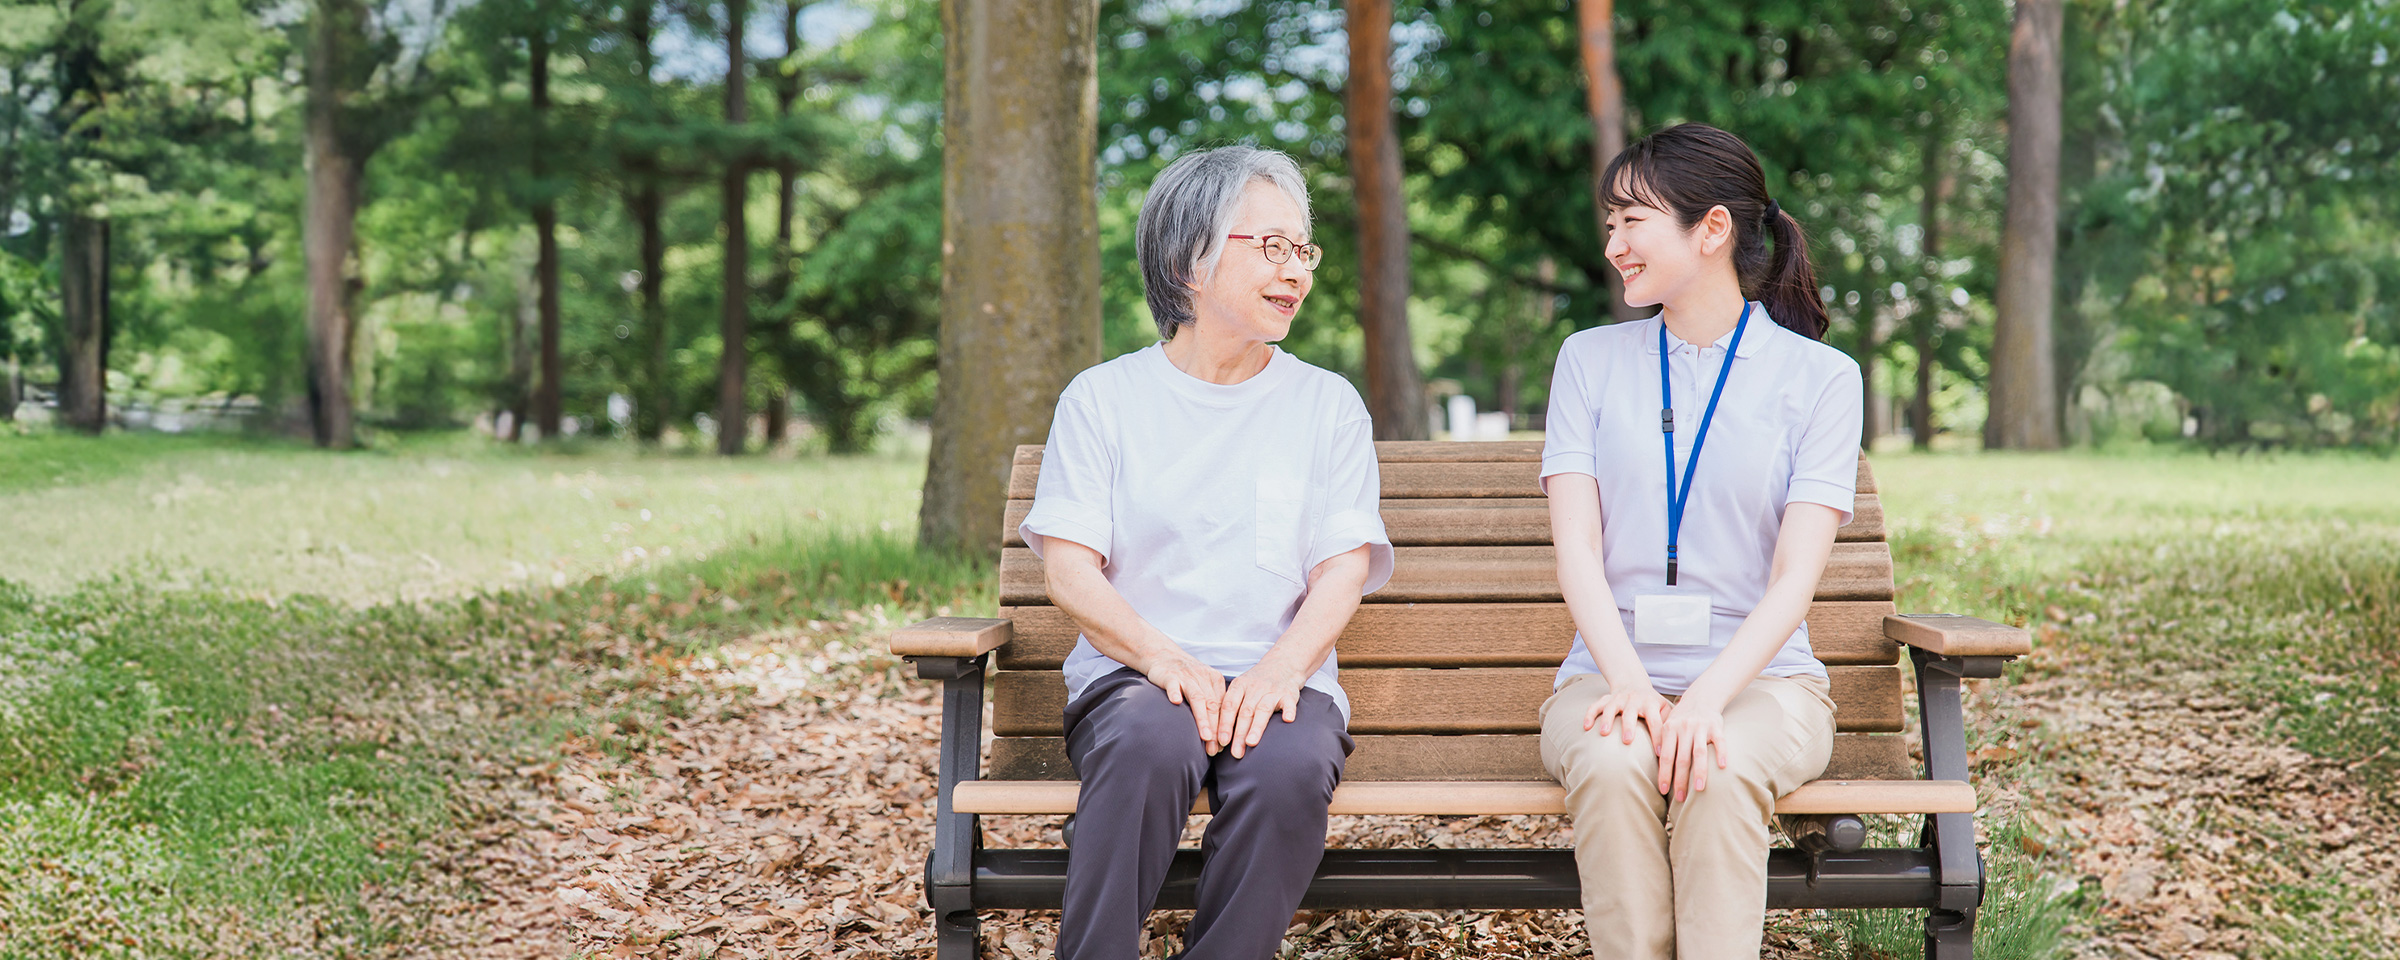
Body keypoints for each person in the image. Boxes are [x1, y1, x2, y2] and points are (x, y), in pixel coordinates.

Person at [1020, 144, 1396, 960]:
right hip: (1138, 676)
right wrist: (1168, 662)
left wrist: (1279, 670)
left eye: (1302, 249)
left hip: (1282, 675)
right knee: (1151, 741)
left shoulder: (1327, 405)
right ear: (1187, 258)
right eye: (1269, 246)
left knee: (1286, 770)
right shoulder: (1104, 400)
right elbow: (1069, 569)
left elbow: (1344, 567)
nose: (1294, 269)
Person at [1537, 123, 1864, 959]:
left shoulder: (1821, 379)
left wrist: (1708, 698)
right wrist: (1634, 686)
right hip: (1607, 677)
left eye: (1631, 221)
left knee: (1711, 764)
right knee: (1615, 765)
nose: (1613, 245)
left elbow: (1796, 576)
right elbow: (1576, 552)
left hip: (1767, 684)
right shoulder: (1588, 360)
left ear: (1710, 228)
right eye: (1608, 225)